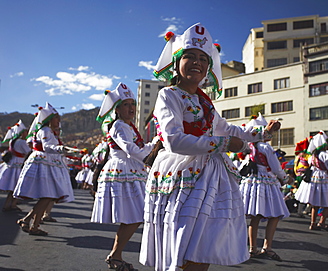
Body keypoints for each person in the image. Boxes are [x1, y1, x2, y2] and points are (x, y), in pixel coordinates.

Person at [139, 23, 281, 271]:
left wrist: (262, 133)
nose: (197, 62)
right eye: (190, 56)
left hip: (209, 177)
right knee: (182, 243)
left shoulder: (205, 102)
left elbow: (230, 130)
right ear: (176, 63)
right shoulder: (169, 96)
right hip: (181, 174)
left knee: (204, 244)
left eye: (203, 59)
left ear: (208, 67)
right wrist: (223, 144)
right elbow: (174, 140)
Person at [91, 82, 155, 271]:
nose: (131, 108)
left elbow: (139, 149)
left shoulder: (127, 126)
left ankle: (115, 255)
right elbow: (130, 149)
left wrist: (156, 144)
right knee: (135, 215)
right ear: (117, 109)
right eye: (126, 104)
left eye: (132, 104)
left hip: (131, 170)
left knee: (135, 215)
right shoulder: (119, 125)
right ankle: (115, 255)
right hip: (124, 171)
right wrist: (150, 155)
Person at [13, 103, 75, 236]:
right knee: (48, 195)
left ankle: (34, 225)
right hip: (44, 163)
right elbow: (47, 147)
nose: (59, 121)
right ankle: (27, 220)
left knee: (47, 195)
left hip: (48, 162)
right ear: (49, 119)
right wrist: (61, 149)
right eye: (56, 118)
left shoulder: (48, 131)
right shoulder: (45, 130)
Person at [239, 113, 291, 262]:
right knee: (274, 215)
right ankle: (267, 247)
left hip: (252, 182)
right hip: (266, 182)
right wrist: (284, 178)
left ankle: (252, 248)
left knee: (255, 216)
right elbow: (275, 167)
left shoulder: (251, 146)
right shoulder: (264, 147)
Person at [295, 131, 328, 232]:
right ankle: (322, 222)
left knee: (315, 203)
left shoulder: (312, 156)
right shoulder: (324, 155)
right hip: (323, 178)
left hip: (313, 178)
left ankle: (313, 223)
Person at [0, 120, 31, 212]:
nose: (27, 133)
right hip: (18, 165)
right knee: (18, 186)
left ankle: (8, 205)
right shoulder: (22, 142)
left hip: (12, 164)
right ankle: (12, 204)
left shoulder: (13, 141)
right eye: (25, 131)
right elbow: (28, 151)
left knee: (13, 187)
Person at [293, 137, 312, 218]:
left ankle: (301, 210)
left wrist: (296, 174)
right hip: (306, 177)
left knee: (302, 193)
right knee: (309, 193)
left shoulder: (298, 156)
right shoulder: (308, 155)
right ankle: (305, 210)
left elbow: (295, 167)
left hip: (299, 176)